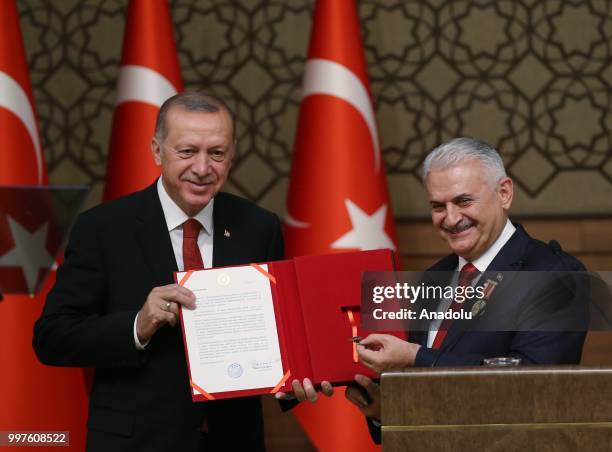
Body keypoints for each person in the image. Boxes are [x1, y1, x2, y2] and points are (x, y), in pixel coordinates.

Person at [292, 137, 588, 443]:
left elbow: (530, 389)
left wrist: (416, 357)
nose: (451, 218)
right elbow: (422, 398)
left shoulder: (555, 274)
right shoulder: (434, 277)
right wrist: (385, 410)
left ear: (504, 193)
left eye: (463, 201)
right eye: (437, 206)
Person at [33, 92, 284, 452]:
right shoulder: (103, 229)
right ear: (156, 151)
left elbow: (279, 334)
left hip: (236, 441)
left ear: (231, 156)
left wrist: (299, 380)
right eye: (187, 151)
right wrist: (138, 325)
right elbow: (52, 337)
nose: (202, 167)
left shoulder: (259, 227)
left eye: (216, 153)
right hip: (137, 442)